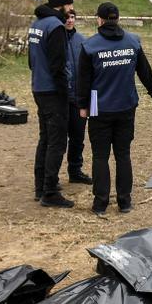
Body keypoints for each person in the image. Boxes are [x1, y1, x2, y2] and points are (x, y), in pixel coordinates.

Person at [76, 2, 152, 216]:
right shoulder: (133, 42)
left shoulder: (90, 46)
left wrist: (82, 106)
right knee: (123, 154)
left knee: (100, 156)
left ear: (99, 19)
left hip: (100, 108)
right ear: (117, 19)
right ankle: (124, 202)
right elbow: (145, 71)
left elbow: (83, 81)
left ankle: (100, 204)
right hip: (126, 106)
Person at [29, 0, 76, 207]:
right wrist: (63, 92)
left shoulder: (36, 24)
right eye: (69, 4)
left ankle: (41, 186)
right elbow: (58, 65)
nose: (71, 9)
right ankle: (49, 192)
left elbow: (31, 60)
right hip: (52, 91)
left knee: (45, 138)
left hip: (38, 87)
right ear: (62, 5)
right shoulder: (56, 27)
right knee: (57, 142)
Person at [63, 10, 92, 184]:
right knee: (58, 140)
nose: (70, 20)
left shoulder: (82, 40)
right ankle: (50, 177)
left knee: (77, 137)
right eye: (66, 17)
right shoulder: (56, 39)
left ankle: (75, 170)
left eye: (72, 17)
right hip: (61, 98)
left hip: (78, 97)